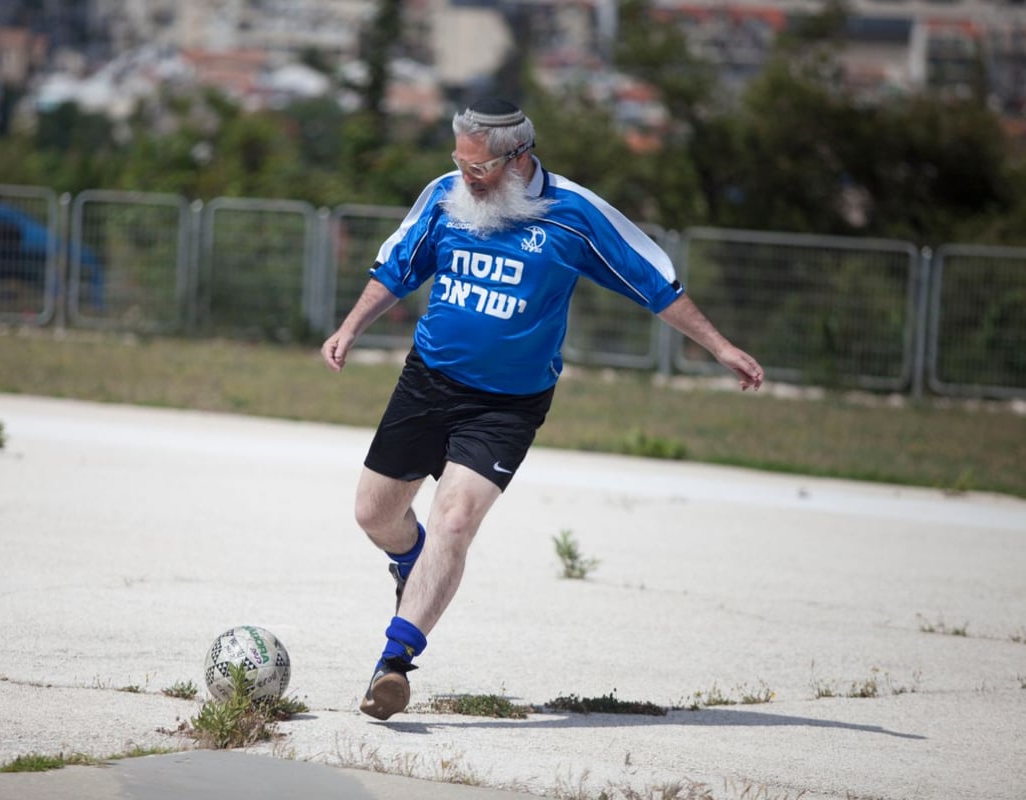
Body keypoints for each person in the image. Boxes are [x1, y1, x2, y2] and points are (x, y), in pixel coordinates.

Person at [321, 98, 764, 721]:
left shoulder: (573, 215)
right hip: (427, 383)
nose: (467, 177)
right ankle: (409, 563)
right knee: (374, 514)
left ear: (518, 156)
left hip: (507, 405)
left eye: (480, 167)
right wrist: (349, 329)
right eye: (461, 162)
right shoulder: (447, 196)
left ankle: (393, 665)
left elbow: (653, 281)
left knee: (453, 523)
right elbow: (397, 265)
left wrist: (719, 346)